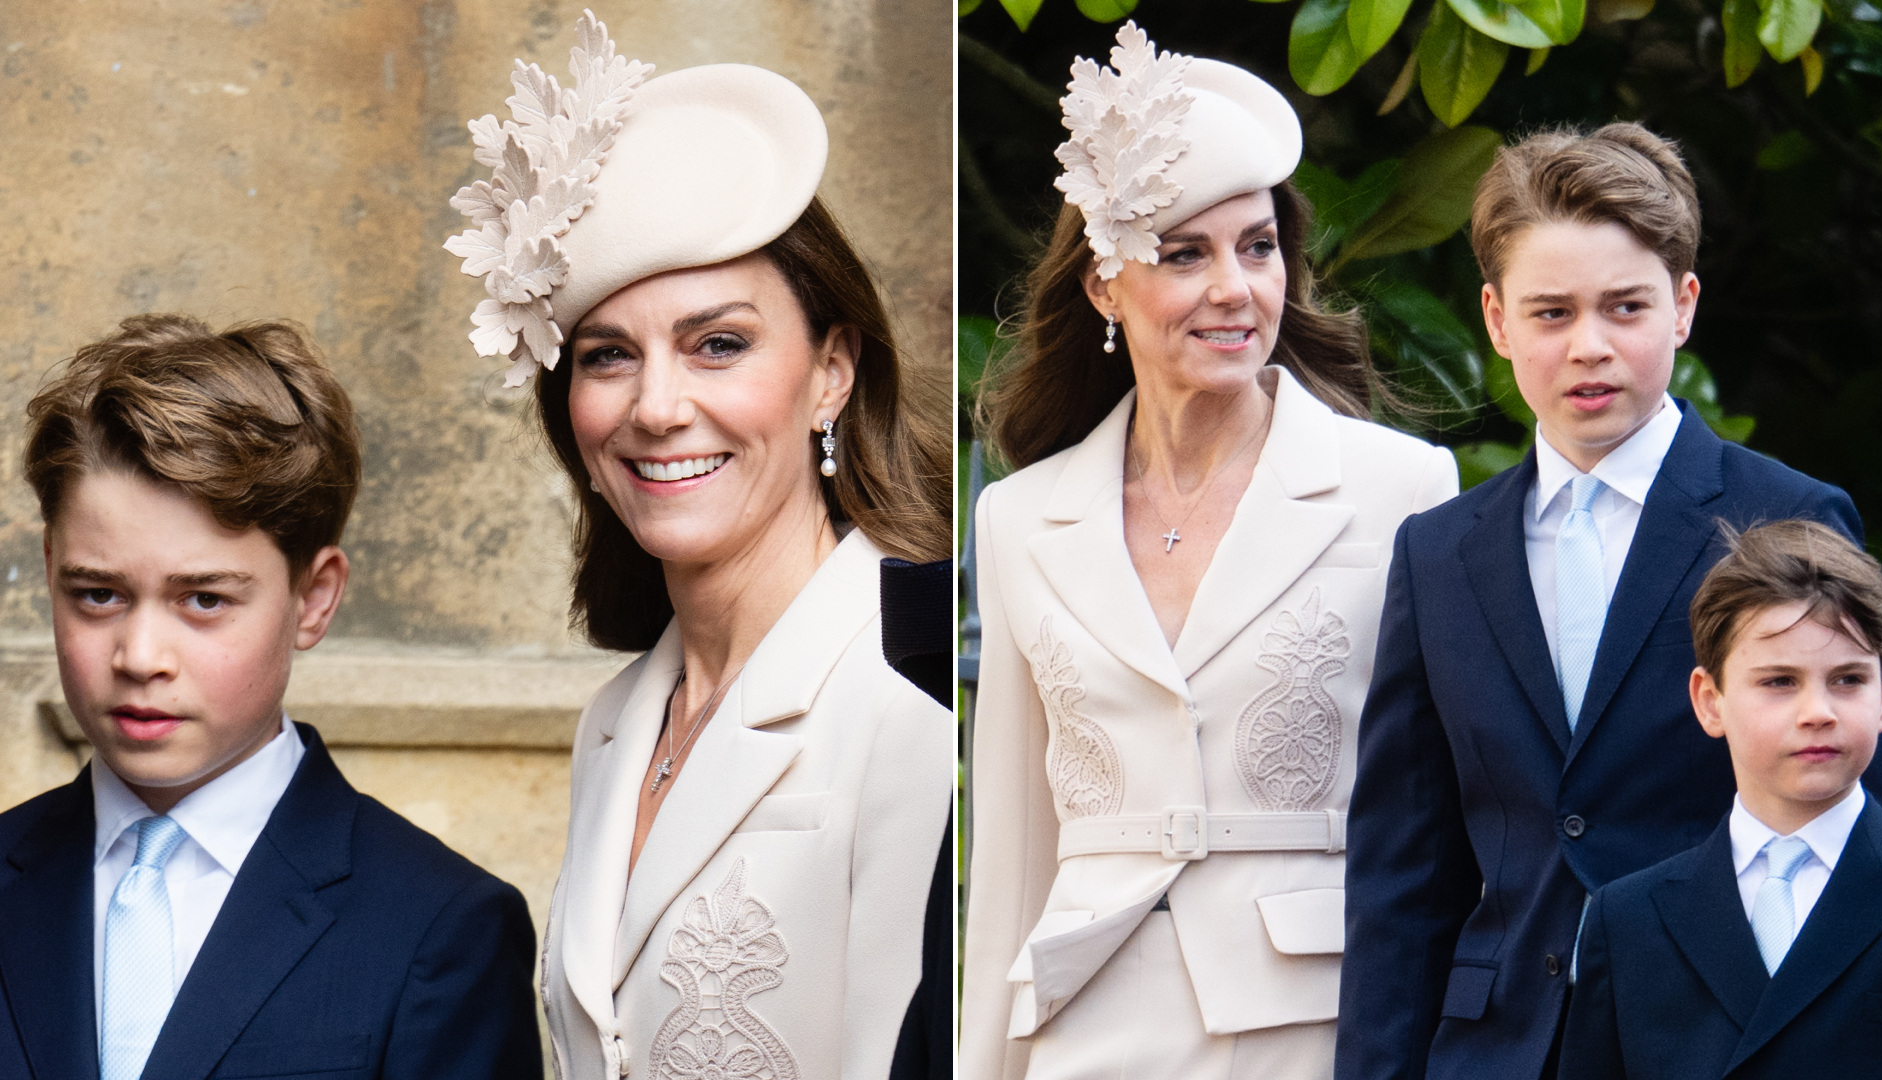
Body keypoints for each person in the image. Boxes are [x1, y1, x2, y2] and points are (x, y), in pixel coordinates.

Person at [1336, 124, 1882, 1080]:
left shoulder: (1789, 511)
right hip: (1496, 1048)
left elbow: (1870, 818)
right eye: (1552, 313)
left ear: (1683, 308)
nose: (1590, 347)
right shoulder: (1437, 554)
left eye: (1625, 307)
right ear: (1495, 319)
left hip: (1718, 1036)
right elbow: (1403, 870)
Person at [440, 13, 953, 1080]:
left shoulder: (918, 678)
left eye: (719, 344)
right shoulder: (617, 722)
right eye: (607, 357)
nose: (658, 407)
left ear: (832, 371)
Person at [959, 23, 1458, 1080]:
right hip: (1080, 1029)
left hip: (1318, 1025)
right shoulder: (1018, 518)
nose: (1235, 288)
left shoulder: (1402, 492)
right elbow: (1009, 847)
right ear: (1103, 284)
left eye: (1259, 246)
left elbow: (1436, 824)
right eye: (1185, 254)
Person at [0, 314, 542, 1080]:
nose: (140, 657)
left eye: (205, 600)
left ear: (314, 598)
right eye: (97, 595)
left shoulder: (440, 929)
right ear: (51, 566)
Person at [1559, 520, 1882, 1079]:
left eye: (1848, 679)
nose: (1818, 711)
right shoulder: (1627, 919)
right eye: (1779, 681)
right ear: (1709, 700)